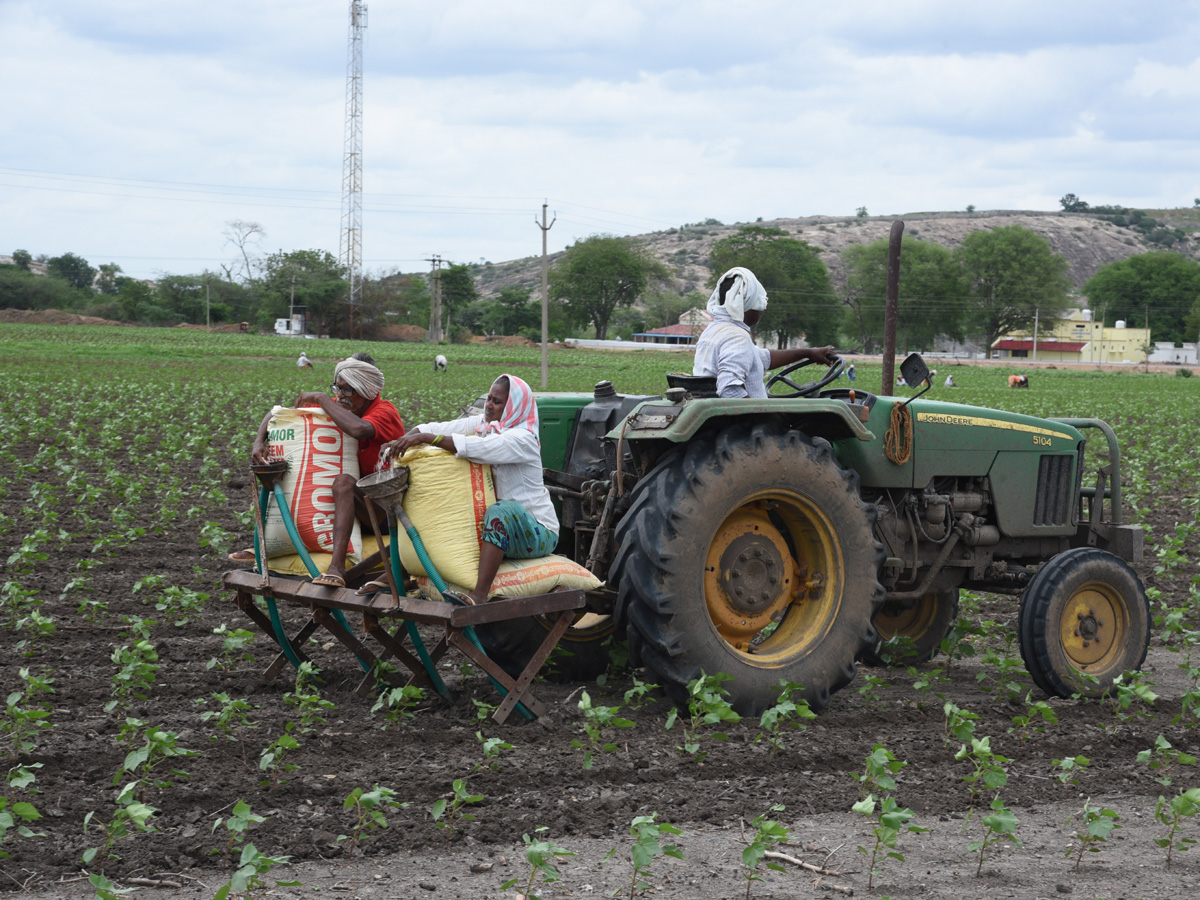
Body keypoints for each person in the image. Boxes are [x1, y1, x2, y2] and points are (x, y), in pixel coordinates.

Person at [383, 374, 556, 606]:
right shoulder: (486, 425)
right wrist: (404, 439)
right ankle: (399, 574)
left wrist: (428, 439)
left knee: (500, 511)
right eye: (489, 399)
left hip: (535, 529)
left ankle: (480, 594)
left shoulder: (522, 439)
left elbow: (478, 447)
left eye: (497, 402)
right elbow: (440, 427)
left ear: (514, 406)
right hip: (503, 528)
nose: (489, 405)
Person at [237, 357, 405, 588]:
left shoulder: (385, 411)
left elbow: (358, 429)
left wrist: (321, 398)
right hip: (358, 506)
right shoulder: (341, 406)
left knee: (344, 482)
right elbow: (279, 413)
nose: (341, 395)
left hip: (384, 507)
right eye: (337, 388)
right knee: (298, 474)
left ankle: (336, 568)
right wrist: (258, 442)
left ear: (366, 392)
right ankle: (267, 546)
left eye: (347, 390)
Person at [692, 267, 835, 397]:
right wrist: (764, 412)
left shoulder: (714, 330)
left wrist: (808, 353)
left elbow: (761, 358)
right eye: (759, 304)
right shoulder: (736, 337)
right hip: (746, 422)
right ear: (748, 304)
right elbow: (730, 390)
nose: (762, 310)